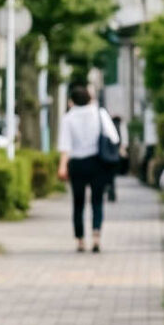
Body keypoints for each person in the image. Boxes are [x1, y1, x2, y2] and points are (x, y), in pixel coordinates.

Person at [58, 85, 121, 253]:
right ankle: (96, 237)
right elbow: (114, 136)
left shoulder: (68, 118)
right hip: (97, 162)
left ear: (72, 100)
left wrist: (62, 166)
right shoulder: (99, 113)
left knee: (78, 203)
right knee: (97, 201)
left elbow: (65, 145)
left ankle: (80, 241)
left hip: (77, 164)